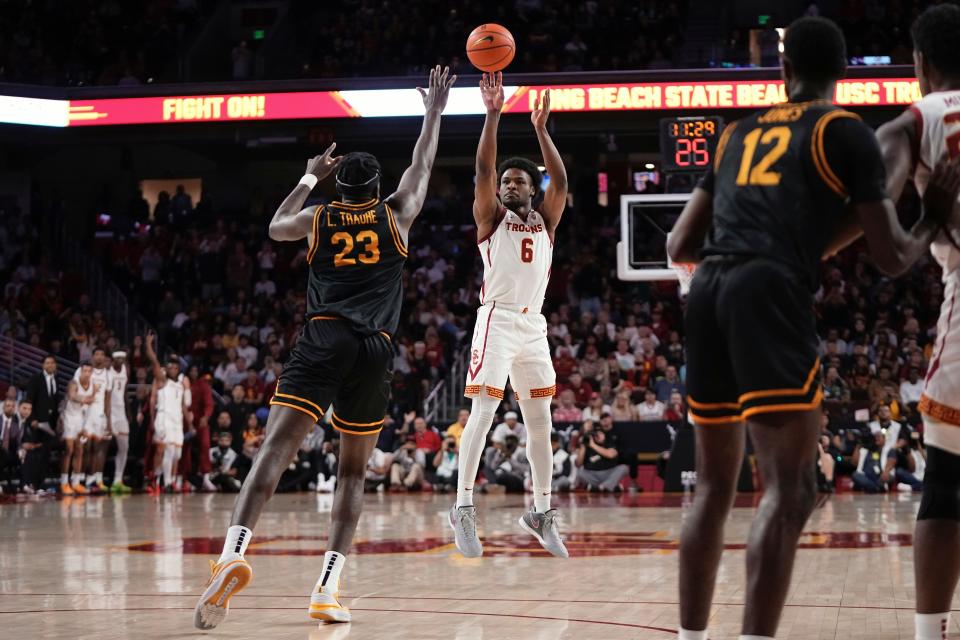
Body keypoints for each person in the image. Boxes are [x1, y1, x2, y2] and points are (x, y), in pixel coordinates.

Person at [666, 16, 960, 640]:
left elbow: (678, 241)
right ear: (844, 75)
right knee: (791, 488)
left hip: (709, 288)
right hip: (767, 291)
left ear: (782, 72)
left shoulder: (736, 133)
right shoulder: (843, 131)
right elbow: (892, 257)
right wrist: (932, 219)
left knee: (713, 490)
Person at [194, 66, 456, 629]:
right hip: (375, 349)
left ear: (342, 188)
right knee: (353, 475)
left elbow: (274, 225)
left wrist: (309, 177)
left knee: (272, 453)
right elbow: (423, 165)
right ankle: (326, 588)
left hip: (324, 335)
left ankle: (232, 555)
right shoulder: (397, 214)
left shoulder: (318, 219)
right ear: (379, 187)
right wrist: (432, 113)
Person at [452, 72, 569, 560]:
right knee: (483, 412)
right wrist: (493, 113)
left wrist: (542, 130)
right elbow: (482, 169)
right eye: (506, 181)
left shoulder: (546, 220)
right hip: (496, 320)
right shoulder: (491, 218)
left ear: (530, 188)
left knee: (540, 420)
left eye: (518, 180)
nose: (508, 185)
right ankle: (462, 507)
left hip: (533, 325)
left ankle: (540, 512)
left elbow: (560, 180)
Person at [871, 7, 960, 636]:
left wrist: (930, 218)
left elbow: (890, 252)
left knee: (947, 486)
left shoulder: (914, 121)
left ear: (920, 64)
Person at [146, 333, 191, 494]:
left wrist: (190, 425)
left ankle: (161, 478)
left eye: (175, 367)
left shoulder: (180, 385)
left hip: (176, 422)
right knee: (164, 450)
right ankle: (164, 482)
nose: (172, 369)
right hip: (163, 419)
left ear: (178, 369)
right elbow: (153, 361)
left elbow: (184, 407)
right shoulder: (162, 381)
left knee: (176, 453)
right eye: (170, 367)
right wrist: (148, 345)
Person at [76, 347, 110, 493]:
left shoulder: (108, 375)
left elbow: (108, 398)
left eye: (102, 354)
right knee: (84, 448)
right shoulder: (82, 370)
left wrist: (106, 418)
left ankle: (92, 480)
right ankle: (78, 480)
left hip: (98, 416)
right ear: (92, 357)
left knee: (96, 449)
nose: (99, 357)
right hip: (84, 414)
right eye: (96, 354)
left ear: (105, 358)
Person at [60, 363, 96, 495]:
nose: (86, 373)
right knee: (69, 450)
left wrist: (87, 426)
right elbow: (72, 396)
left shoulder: (92, 386)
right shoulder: (73, 383)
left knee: (80, 450)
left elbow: (91, 404)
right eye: (84, 370)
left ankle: (75, 482)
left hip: (80, 418)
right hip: (68, 417)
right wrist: (84, 399)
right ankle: (64, 482)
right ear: (80, 372)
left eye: (89, 371)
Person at [575, 418, 628, 492]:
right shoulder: (587, 445)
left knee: (623, 468)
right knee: (580, 472)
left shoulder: (609, 443)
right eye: (596, 434)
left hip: (609, 472)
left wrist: (593, 445)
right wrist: (583, 446)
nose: (599, 436)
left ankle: (600, 487)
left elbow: (611, 455)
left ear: (604, 434)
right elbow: (578, 464)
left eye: (601, 434)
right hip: (592, 474)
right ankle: (609, 486)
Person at [107, 351, 132, 493]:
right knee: (101, 447)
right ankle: (93, 479)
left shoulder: (125, 370)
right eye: (118, 359)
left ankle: (118, 479)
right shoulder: (108, 372)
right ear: (112, 360)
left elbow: (125, 391)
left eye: (123, 358)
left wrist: (128, 412)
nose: (120, 361)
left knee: (124, 447)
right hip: (109, 413)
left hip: (121, 413)